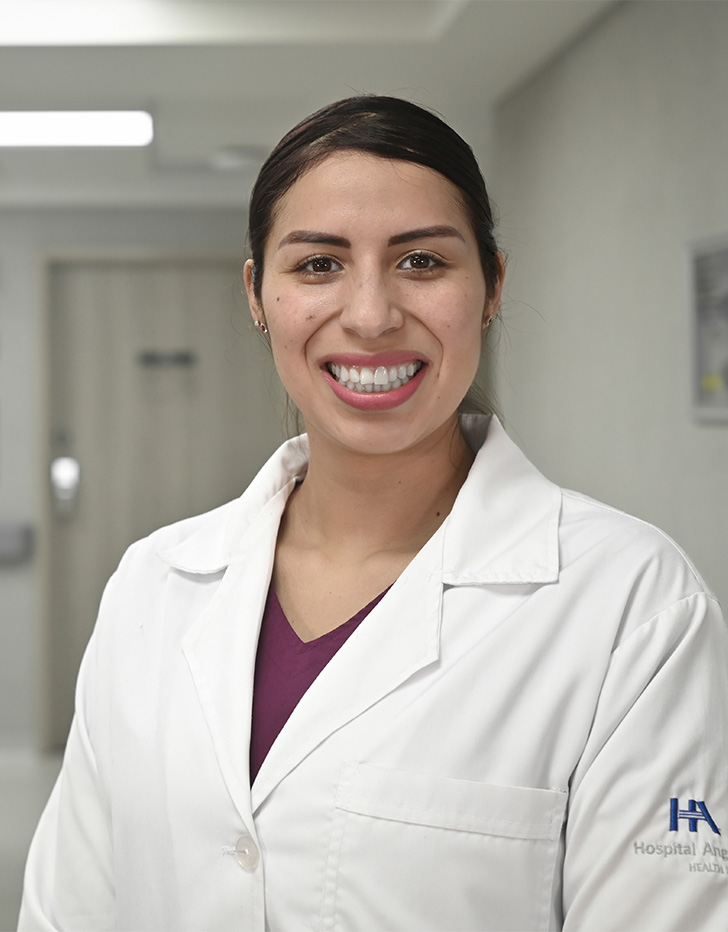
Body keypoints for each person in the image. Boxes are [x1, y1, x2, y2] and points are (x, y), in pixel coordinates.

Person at [19, 96, 728, 932]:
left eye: (422, 261)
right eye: (318, 265)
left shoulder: (631, 606)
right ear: (257, 293)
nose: (369, 314)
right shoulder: (153, 583)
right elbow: (67, 911)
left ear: (493, 283)